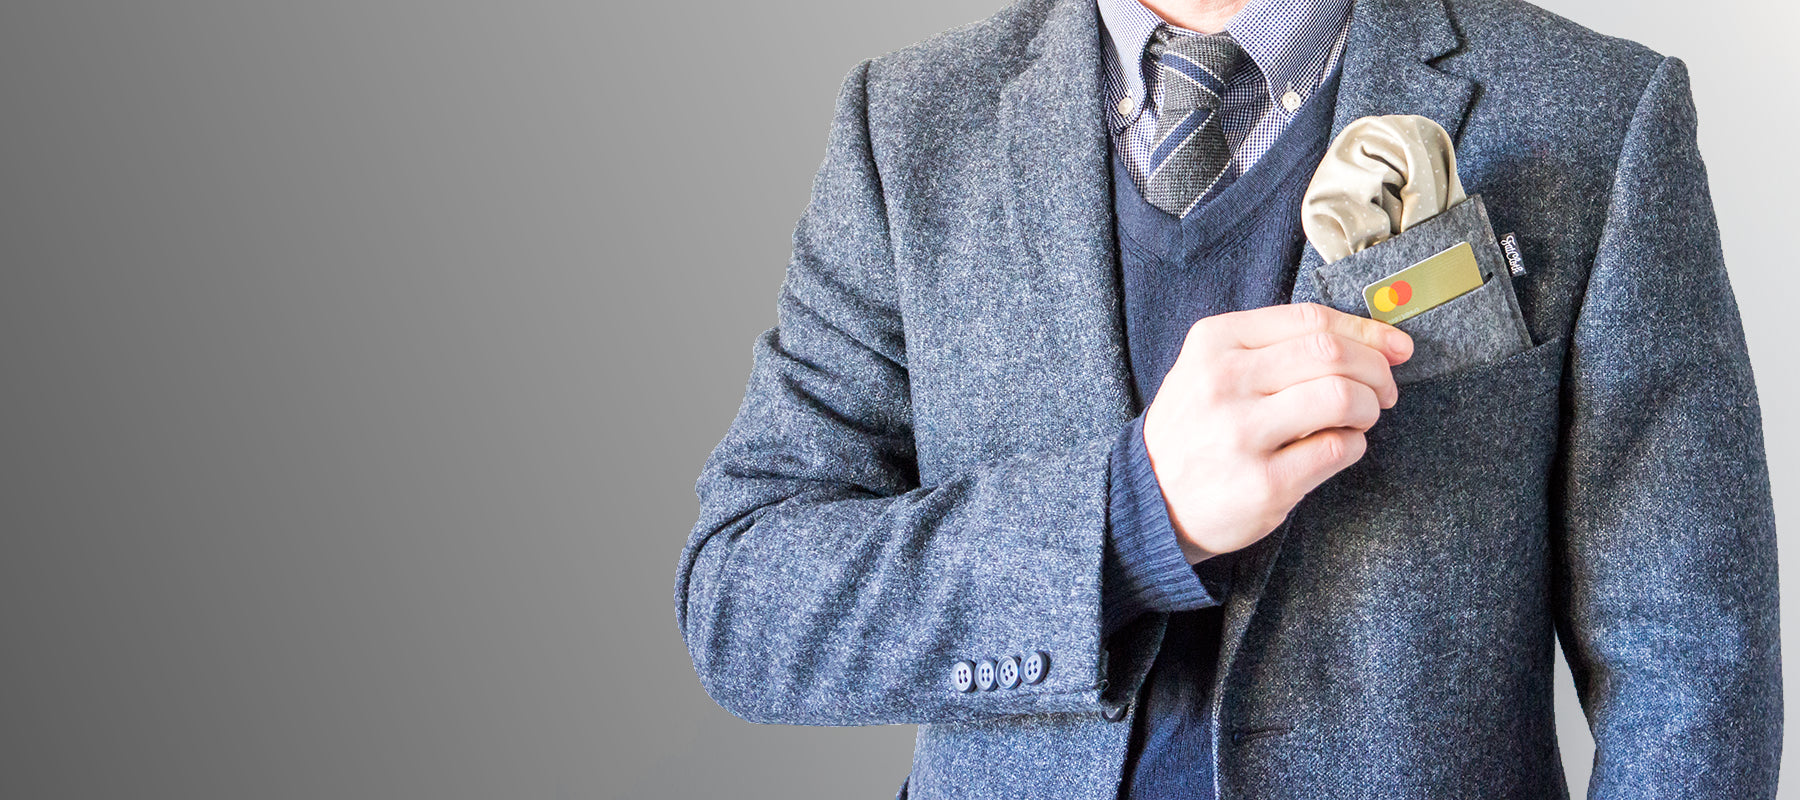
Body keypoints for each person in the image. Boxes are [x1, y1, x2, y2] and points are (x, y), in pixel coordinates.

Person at [673, 0, 1782, 796]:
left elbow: (1694, 657)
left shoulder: (1600, 111)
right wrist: (1128, 518)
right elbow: (747, 601)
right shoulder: (907, 127)